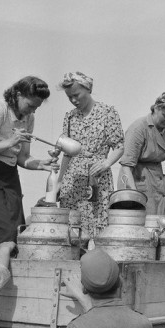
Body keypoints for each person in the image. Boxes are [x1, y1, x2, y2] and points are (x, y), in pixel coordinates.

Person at [0, 76, 58, 246]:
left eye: (36, 108)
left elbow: (22, 157)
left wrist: (40, 164)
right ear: (18, 95)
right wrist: (10, 142)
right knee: (2, 233)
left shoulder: (28, 118)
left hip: (10, 174)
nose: (33, 111)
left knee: (17, 230)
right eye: (30, 105)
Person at [55, 72, 124, 239]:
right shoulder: (70, 117)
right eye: (69, 97)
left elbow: (119, 146)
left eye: (76, 95)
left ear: (88, 89)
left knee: (99, 228)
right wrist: (59, 182)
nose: (73, 100)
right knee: (72, 230)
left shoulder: (107, 112)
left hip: (97, 177)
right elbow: (67, 154)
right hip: (73, 180)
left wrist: (107, 163)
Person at [118, 92, 165, 215]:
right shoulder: (139, 128)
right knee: (137, 219)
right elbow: (126, 167)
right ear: (156, 108)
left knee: (160, 221)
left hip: (157, 183)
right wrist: (134, 196)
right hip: (133, 180)